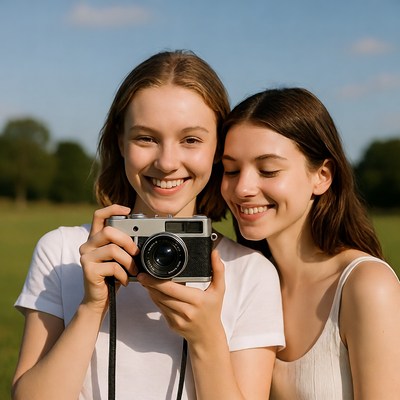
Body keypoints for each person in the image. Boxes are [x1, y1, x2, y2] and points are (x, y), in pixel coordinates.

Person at [12, 50, 285, 400]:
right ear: (120, 142)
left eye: (191, 139)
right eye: (146, 138)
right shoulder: (64, 251)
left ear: (218, 147)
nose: (168, 162)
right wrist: (91, 307)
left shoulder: (250, 273)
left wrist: (206, 339)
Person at [220, 87, 400, 399]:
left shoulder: (366, 286)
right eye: (231, 170)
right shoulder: (243, 282)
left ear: (322, 175)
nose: (243, 188)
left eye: (268, 170)